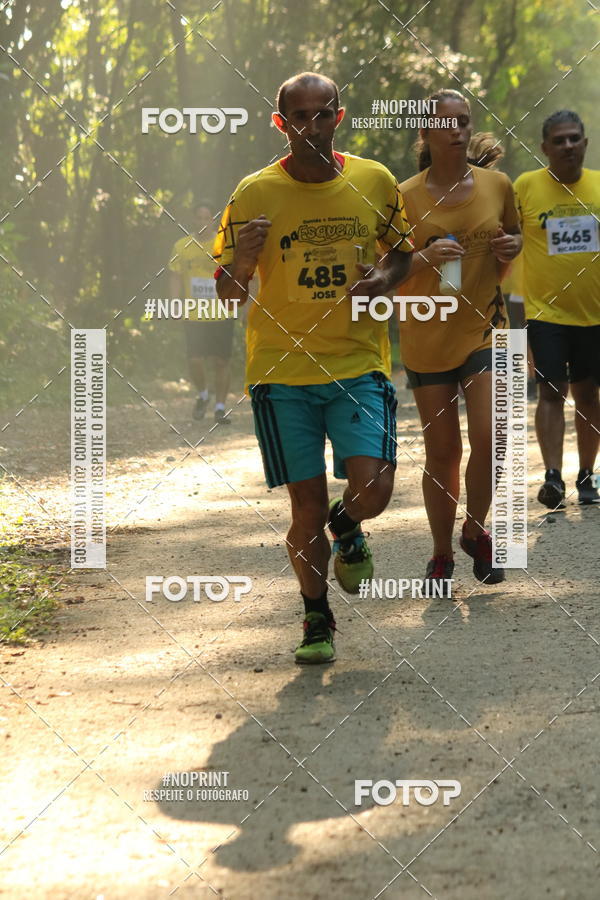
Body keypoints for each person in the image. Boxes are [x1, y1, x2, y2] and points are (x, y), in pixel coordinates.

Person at [213, 72, 414, 664]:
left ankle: (347, 523)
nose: (309, 126)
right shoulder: (251, 194)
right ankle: (316, 617)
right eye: (296, 117)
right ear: (280, 124)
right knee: (301, 507)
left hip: (357, 362)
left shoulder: (375, 181)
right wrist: (243, 260)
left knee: (374, 488)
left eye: (320, 114)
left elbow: (403, 251)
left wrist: (382, 277)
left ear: (338, 117)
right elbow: (226, 292)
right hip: (280, 374)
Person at [396, 88, 522, 594]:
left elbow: (510, 245)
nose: (458, 130)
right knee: (442, 452)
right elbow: (386, 273)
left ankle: (475, 529)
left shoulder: (498, 185)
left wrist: (511, 248)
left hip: (486, 330)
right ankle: (442, 552)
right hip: (426, 334)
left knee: (495, 435)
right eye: (446, 123)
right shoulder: (403, 197)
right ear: (424, 132)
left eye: (465, 122)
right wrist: (425, 259)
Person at [514, 110, 600, 508]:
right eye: (559, 140)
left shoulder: (599, 185)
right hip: (545, 313)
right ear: (545, 148)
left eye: (574, 139)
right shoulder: (526, 187)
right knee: (550, 391)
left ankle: (586, 475)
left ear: (585, 143)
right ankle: (552, 477)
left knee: (588, 395)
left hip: (594, 314)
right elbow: (506, 237)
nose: (568, 146)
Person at [169, 201, 235, 423]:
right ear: (193, 220)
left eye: (207, 218)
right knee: (194, 360)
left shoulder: (224, 245)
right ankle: (203, 395)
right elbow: (175, 276)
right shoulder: (182, 246)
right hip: (194, 313)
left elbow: (237, 274)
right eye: (198, 218)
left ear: (213, 221)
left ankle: (219, 407)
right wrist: (174, 303)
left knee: (221, 361)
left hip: (221, 312)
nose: (202, 222)